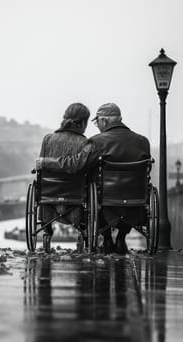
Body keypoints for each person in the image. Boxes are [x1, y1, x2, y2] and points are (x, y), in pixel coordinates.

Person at [38, 103, 151, 254]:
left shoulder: (98, 142)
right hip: (136, 203)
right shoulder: (143, 142)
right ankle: (121, 237)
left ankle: (108, 239)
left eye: (97, 122)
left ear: (104, 121)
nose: (97, 125)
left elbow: (77, 164)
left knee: (94, 188)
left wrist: (46, 162)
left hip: (105, 205)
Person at [38, 103, 90, 253]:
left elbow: (42, 168)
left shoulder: (48, 139)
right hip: (74, 201)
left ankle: (47, 231)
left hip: (49, 199)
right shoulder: (85, 143)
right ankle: (82, 233)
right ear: (83, 123)